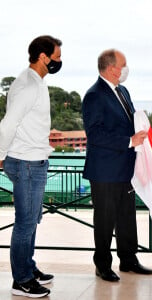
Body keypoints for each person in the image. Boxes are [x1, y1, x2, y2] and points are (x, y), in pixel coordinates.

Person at [82, 49, 152, 282]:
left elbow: (128, 122)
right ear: (112, 68)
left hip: (125, 167)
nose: (126, 69)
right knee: (104, 220)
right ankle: (102, 265)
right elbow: (95, 135)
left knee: (126, 216)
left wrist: (140, 131)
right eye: (123, 65)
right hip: (104, 171)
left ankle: (129, 259)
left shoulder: (122, 91)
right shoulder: (94, 95)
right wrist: (129, 141)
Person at [0, 35, 62, 297]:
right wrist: (1, 154)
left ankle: (28, 267)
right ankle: (21, 280)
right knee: (25, 223)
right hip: (26, 163)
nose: (59, 61)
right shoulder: (28, 86)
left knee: (31, 221)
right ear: (43, 57)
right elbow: (8, 124)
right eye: (57, 57)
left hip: (32, 160)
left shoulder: (34, 81)